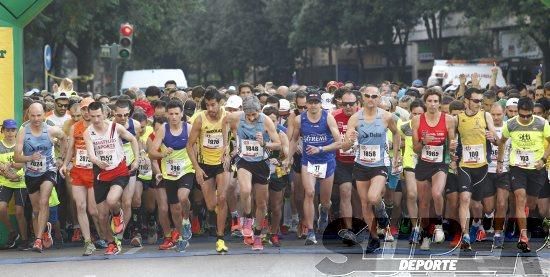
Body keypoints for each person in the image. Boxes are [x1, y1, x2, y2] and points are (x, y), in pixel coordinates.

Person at [344, 86, 400, 252]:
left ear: (379, 98)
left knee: (373, 197)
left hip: (379, 163)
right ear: (362, 97)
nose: (370, 99)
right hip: (361, 164)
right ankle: (374, 238)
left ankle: (382, 214)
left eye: (374, 96)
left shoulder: (387, 116)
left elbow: (396, 134)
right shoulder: (354, 118)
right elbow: (346, 146)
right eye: (367, 96)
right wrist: (350, 139)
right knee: (365, 204)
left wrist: (396, 155)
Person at [223, 96, 281, 250]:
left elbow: (278, 144)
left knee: (261, 203)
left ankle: (257, 236)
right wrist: (225, 146)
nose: (251, 118)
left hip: (261, 163)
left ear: (259, 111)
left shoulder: (266, 120)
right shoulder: (236, 117)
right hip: (244, 160)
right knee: (245, 190)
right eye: (248, 115)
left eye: (254, 115)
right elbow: (224, 121)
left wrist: (264, 143)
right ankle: (248, 217)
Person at [83, 102, 139, 255]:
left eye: (98, 116)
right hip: (101, 173)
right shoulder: (88, 132)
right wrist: (96, 161)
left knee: (112, 200)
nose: (95, 120)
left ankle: (117, 215)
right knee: (101, 216)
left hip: (119, 170)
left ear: (105, 114)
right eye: (92, 116)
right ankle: (111, 243)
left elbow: (133, 140)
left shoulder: (115, 128)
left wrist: (137, 160)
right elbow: (90, 153)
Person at [496, 97, 550, 253]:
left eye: (528, 115)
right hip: (517, 167)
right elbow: (502, 141)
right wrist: (500, 162)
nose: (525, 119)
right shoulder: (511, 124)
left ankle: (525, 217)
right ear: (517, 111)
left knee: (531, 204)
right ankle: (524, 236)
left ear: (533, 112)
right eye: (522, 115)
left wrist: (544, 159)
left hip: (536, 167)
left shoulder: (541, 123)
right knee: (520, 197)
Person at [288, 90, 341, 245]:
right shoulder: (299, 119)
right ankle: (310, 231)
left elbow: (339, 142)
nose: (312, 105)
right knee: (309, 193)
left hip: (326, 161)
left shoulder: (328, 118)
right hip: (308, 162)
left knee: (325, 201)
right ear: (306, 105)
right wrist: (288, 159)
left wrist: (321, 149)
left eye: (315, 102)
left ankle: (324, 212)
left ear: (320, 104)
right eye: (310, 103)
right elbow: (294, 140)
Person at [14, 103, 67, 253]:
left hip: (48, 170)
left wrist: (60, 158)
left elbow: (64, 138)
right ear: (28, 116)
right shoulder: (23, 132)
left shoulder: (51, 130)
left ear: (44, 115)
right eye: (33, 115)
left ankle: (37, 240)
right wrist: (30, 157)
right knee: (36, 210)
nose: (36, 119)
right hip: (31, 173)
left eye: (39, 115)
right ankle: (44, 230)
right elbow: (17, 157)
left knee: (44, 201)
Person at [411, 88, 457, 250]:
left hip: (440, 163)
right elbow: (415, 148)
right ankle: (425, 234)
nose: (432, 104)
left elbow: (452, 145)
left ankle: (438, 225)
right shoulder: (417, 120)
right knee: (423, 203)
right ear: (425, 102)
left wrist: (452, 148)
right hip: (423, 163)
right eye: (429, 101)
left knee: (437, 193)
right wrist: (424, 141)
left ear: (440, 103)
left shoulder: (449, 119)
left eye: (436, 101)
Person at [187, 88, 229, 253]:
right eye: (208, 105)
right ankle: (220, 212)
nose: (210, 109)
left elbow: (239, 131)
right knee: (212, 205)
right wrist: (197, 168)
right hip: (205, 165)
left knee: (223, 197)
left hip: (222, 163)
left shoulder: (227, 116)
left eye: (213, 105)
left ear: (220, 103)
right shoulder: (199, 120)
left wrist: (230, 150)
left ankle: (220, 238)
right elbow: (189, 146)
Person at [149, 100, 195, 252]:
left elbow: (197, 148)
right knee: (174, 209)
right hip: (169, 173)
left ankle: (187, 220)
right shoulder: (163, 129)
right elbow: (152, 152)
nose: (174, 117)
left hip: (186, 169)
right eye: (171, 114)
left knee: (183, 197)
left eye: (177, 113)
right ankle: (182, 236)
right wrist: (163, 153)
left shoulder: (188, 128)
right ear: (167, 115)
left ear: (182, 114)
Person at [60, 98, 102, 255]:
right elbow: (70, 148)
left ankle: (104, 235)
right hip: (78, 170)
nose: (86, 112)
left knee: (94, 210)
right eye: (83, 109)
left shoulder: (100, 127)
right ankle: (88, 242)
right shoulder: (74, 128)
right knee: (80, 206)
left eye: (88, 109)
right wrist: (65, 164)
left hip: (94, 172)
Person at [456, 88, 497, 250]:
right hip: (464, 165)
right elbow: (451, 141)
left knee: (477, 205)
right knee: (464, 198)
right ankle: (465, 235)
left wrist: (493, 137)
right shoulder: (457, 119)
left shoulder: (486, 116)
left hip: (482, 166)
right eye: (476, 101)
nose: (479, 104)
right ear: (466, 101)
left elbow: (496, 139)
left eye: (481, 101)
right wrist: (452, 150)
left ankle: (476, 222)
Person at [333, 90, 360, 243]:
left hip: (361, 162)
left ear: (358, 104)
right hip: (342, 162)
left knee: (361, 197)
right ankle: (349, 230)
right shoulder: (334, 117)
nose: (348, 107)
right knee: (345, 192)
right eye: (345, 104)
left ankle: (360, 226)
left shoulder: (364, 116)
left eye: (352, 104)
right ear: (340, 103)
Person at [262, 106, 290, 247]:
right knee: (262, 204)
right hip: (261, 172)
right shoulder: (258, 133)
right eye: (269, 121)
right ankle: (262, 231)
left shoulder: (281, 135)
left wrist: (280, 161)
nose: (273, 124)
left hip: (277, 173)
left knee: (276, 206)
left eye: (275, 121)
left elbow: (287, 154)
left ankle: (273, 233)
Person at [0, 119, 27, 249]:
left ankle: (25, 239)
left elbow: (24, 163)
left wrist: (15, 172)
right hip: (4, 182)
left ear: (16, 131)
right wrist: (5, 172)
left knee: (19, 212)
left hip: (20, 183)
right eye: (7, 130)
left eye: (12, 130)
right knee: (1, 208)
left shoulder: (20, 145)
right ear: (3, 131)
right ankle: (13, 233)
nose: (10, 133)